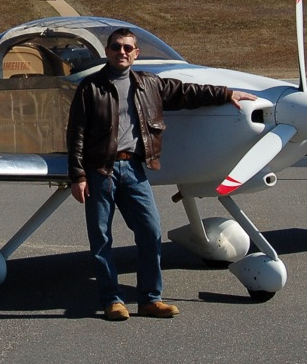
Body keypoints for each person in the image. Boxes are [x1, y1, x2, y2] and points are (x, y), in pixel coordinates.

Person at [67, 28, 256, 321]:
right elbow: (76, 133)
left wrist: (227, 94)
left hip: (135, 169)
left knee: (150, 232)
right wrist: (78, 176)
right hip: (99, 170)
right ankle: (111, 300)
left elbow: (187, 93)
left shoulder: (149, 84)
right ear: (107, 51)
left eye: (128, 48)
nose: (122, 52)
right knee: (101, 238)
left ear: (136, 53)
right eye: (116, 47)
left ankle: (150, 299)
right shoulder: (91, 87)